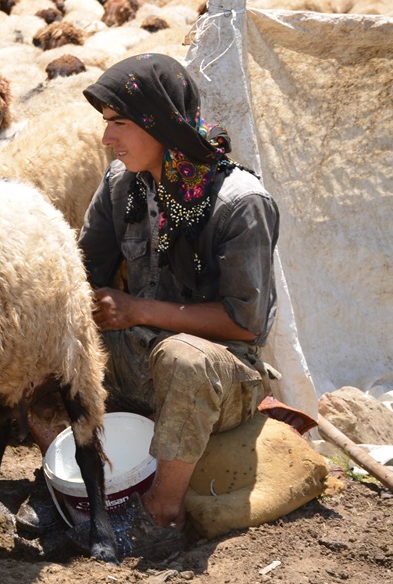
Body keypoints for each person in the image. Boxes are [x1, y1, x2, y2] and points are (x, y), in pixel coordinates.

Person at [76, 52, 280, 530]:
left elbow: (244, 323)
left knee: (182, 358)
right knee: (46, 349)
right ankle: (74, 489)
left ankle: (161, 513)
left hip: (220, 373)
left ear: (161, 122)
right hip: (136, 355)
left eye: (119, 122)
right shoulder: (119, 184)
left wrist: (135, 309)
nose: (107, 138)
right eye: (106, 122)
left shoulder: (240, 203)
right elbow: (85, 269)